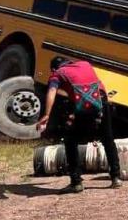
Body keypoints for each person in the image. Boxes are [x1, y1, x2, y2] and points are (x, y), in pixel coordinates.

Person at [36, 56, 122, 193]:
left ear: (53, 69)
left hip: (84, 106)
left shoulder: (57, 74)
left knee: (70, 141)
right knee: (107, 139)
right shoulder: (85, 64)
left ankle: (76, 182)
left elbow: (52, 91)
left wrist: (46, 115)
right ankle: (116, 177)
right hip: (102, 102)